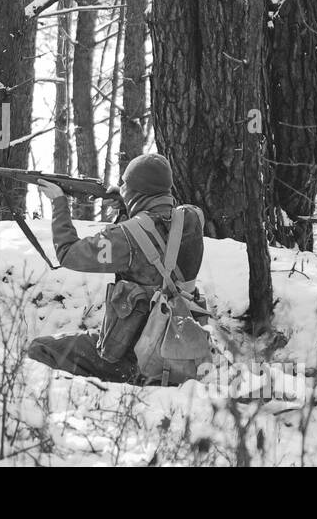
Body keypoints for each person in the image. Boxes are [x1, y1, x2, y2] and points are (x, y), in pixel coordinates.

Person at [26, 153, 205, 383]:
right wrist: (126, 208)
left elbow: (69, 253)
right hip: (178, 347)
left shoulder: (126, 236)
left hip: (134, 356)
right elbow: (163, 226)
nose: (122, 189)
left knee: (41, 348)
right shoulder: (193, 218)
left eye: (125, 186)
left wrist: (59, 203)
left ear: (136, 192)